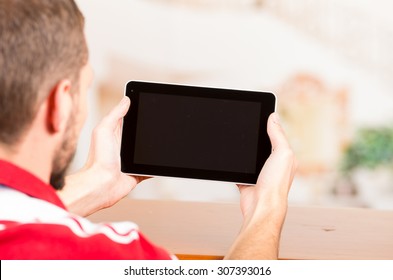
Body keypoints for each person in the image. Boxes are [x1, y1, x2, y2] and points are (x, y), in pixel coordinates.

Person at [0, 0, 296, 260]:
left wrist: (97, 182)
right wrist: (266, 209)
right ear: (59, 104)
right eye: (84, 87)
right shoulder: (104, 255)